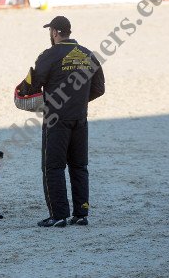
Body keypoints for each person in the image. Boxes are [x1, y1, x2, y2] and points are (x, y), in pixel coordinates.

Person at [33, 16, 105, 227]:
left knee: (53, 167)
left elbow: (36, 83)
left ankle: (58, 215)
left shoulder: (49, 55)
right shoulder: (87, 54)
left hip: (56, 119)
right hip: (80, 119)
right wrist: (78, 100)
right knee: (79, 166)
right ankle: (81, 213)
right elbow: (99, 88)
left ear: (54, 32)